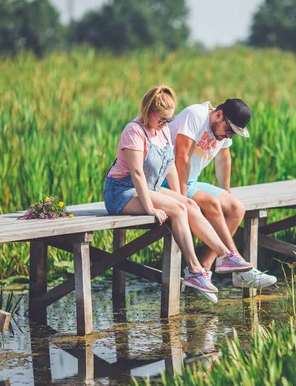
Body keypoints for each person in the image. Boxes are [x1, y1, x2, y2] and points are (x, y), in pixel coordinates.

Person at [103, 85, 253, 299]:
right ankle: (194, 270)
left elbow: (171, 166)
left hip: (149, 187)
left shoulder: (162, 130)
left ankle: (225, 255)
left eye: (169, 120)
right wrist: (150, 208)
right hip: (122, 191)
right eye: (162, 120)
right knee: (178, 210)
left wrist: (181, 197)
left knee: (188, 205)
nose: (166, 124)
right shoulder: (134, 132)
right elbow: (136, 174)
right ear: (148, 112)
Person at [164, 98, 277, 298]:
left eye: (233, 133)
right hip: (167, 179)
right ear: (218, 115)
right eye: (229, 130)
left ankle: (205, 269)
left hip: (191, 180)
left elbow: (224, 158)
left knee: (235, 208)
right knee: (212, 203)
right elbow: (182, 157)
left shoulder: (223, 130)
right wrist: (182, 199)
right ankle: (239, 266)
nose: (229, 135)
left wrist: (225, 191)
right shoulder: (195, 115)